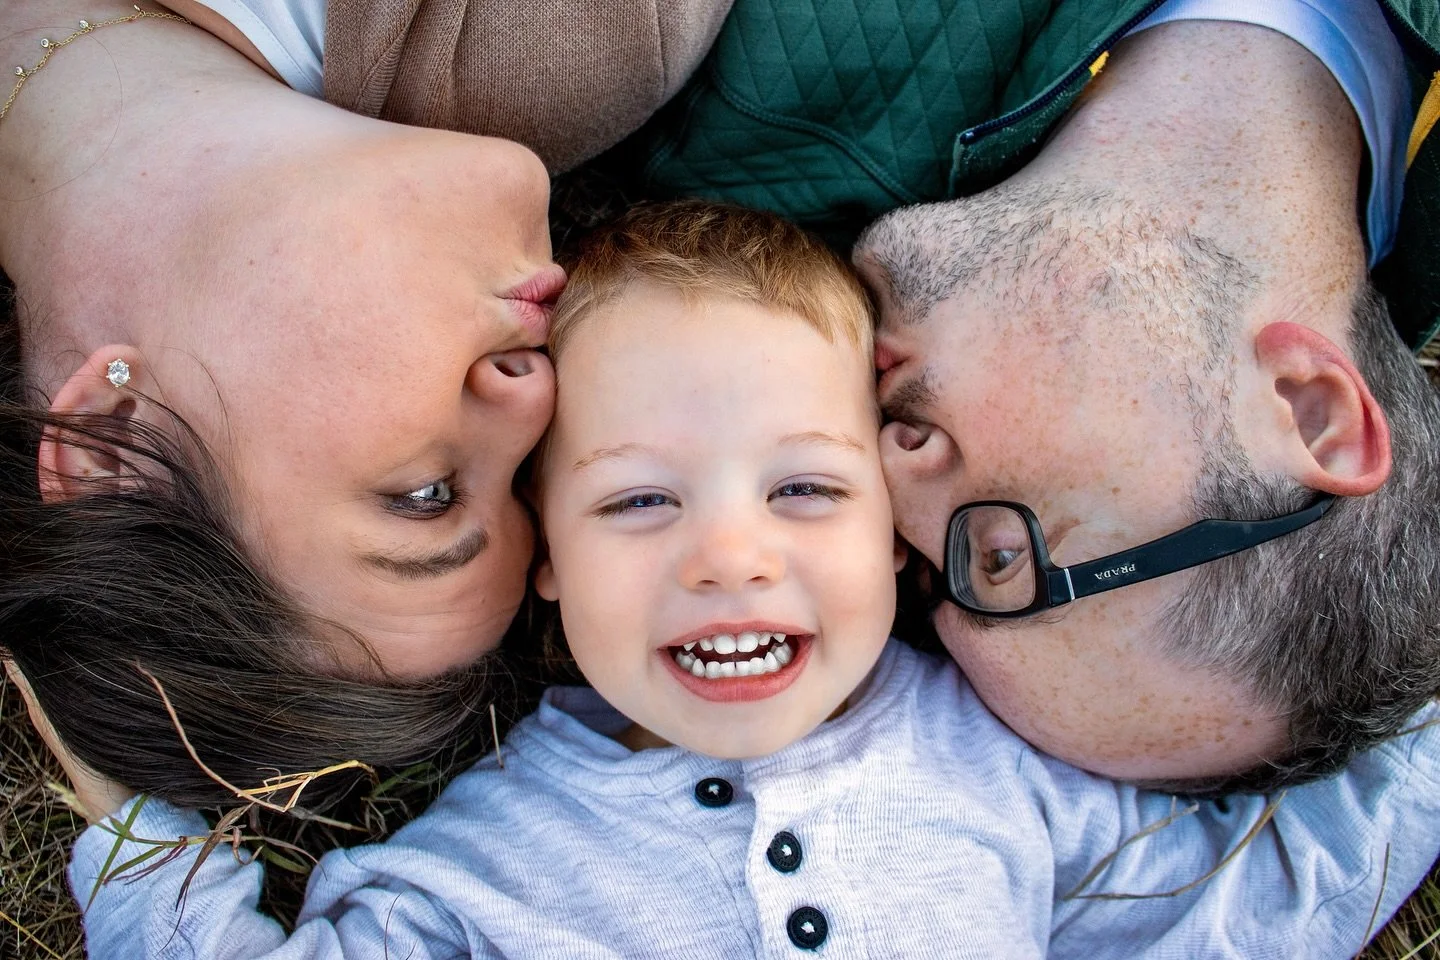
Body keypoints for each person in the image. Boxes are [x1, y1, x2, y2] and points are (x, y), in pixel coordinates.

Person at [65, 201, 1440, 959]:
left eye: (805, 490)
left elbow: (1264, 903)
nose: (729, 555)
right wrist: (133, 835)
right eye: (641, 500)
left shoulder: (1018, 779)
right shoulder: (475, 883)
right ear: (545, 557)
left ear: (895, 529)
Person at [611, 0, 1440, 790]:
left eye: (926, 579)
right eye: (1004, 559)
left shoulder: (738, 209)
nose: (891, 480)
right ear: (1308, 409)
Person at [0, 0, 728, 806]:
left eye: (426, 497)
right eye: (531, 474)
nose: (536, 394)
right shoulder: (549, 39)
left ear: (109, 447)